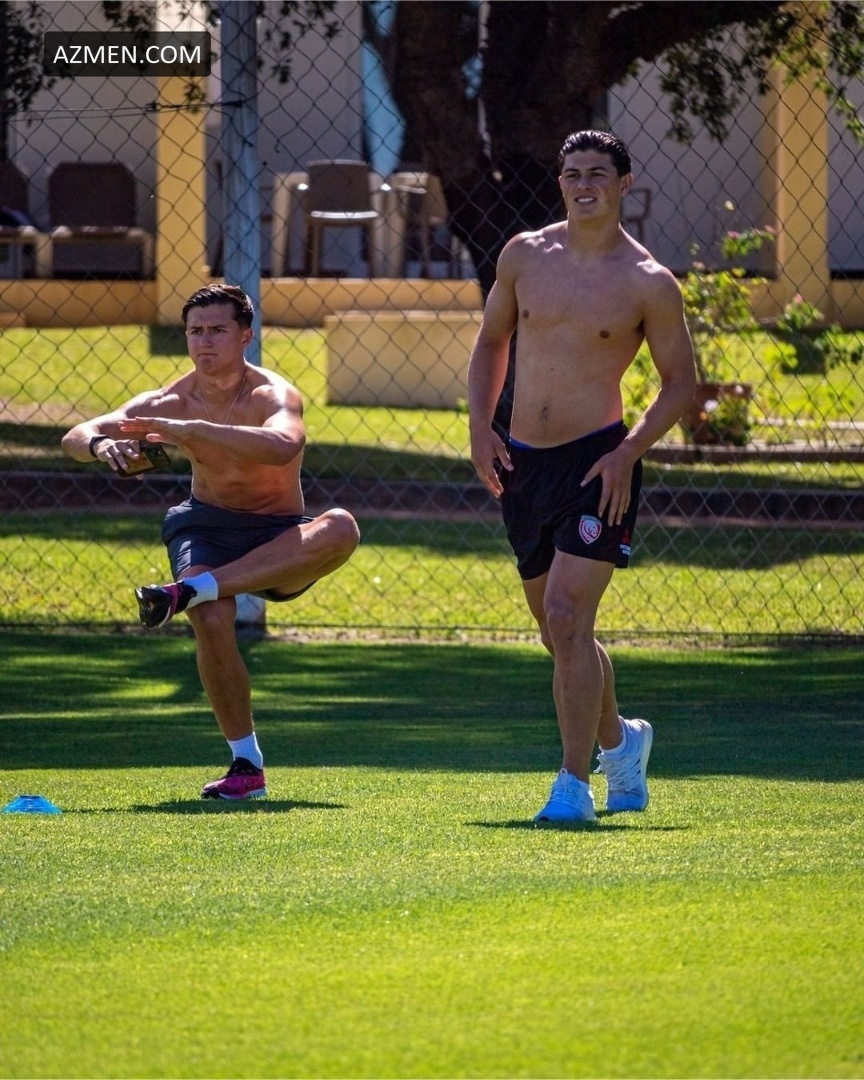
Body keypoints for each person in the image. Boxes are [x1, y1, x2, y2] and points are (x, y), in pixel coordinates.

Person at [468, 130, 697, 823]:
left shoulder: (648, 281)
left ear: (625, 184)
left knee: (569, 617)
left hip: (598, 464)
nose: (583, 184)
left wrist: (627, 453)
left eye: (598, 173)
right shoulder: (524, 255)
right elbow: (491, 341)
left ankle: (572, 786)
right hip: (522, 462)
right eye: (572, 173)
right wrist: (480, 426)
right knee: (556, 631)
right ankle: (621, 742)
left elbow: (680, 383)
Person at [61, 284, 360, 801]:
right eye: (195, 331)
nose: (205, 341)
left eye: (218, 330)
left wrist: (195, 431)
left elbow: (284, 444)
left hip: (276, 534)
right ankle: (246, 765)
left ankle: (190, 590)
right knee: (212, 617)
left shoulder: (270, 393)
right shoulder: (169, 400)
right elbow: (76, 435)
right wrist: (102, 444)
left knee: (342, 527)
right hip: (205, 526)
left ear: (245, 336)